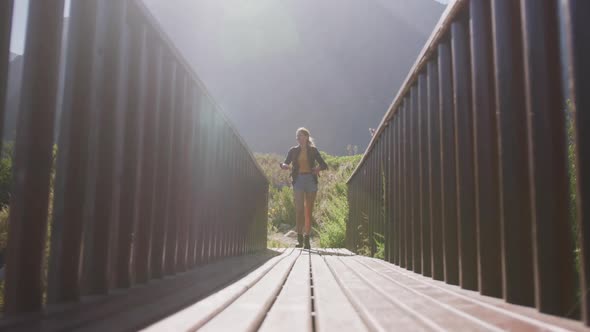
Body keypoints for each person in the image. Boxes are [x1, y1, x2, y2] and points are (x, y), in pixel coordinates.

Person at [280, 128, 328, 249]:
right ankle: (299, 239)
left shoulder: (313, 150)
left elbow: (324, 165)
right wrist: (284, 165)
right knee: (300, 210)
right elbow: (286, 162)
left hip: (311, 180)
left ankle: (307, 240)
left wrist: (318, 169)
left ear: (306, 137)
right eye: (297, 136)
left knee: (308, 211)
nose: (298, 138)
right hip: (298, 181)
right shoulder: (293, 150)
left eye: (301, 136)